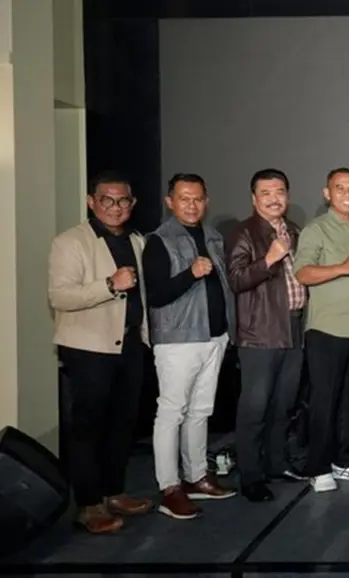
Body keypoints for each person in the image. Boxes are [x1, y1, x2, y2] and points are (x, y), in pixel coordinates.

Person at [48, 171, 152, 533]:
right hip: (88, 348)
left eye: (123, 200)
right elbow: (60, 297)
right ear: (91, 202)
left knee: (122, 425)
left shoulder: (136, 240)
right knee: (88, 428)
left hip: (129, 344)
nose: (115, 207)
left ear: (132, 203)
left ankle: (114, 492)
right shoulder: (70, 242)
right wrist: (109, 284)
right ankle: (88, 505)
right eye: (107, 199)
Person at [143, 173, 237, 520]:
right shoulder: (159, 241)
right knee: (172, 412)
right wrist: (190, 273)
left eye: (197, 198)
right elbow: (155, 295)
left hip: (214, 336)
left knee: (200, 411)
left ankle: (197, 476)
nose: (192, 205)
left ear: (206, 201)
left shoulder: (213, 237)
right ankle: (170, 488)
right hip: (178, 340)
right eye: (184, 198)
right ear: (170, 202)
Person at [293, 168, 349, 492]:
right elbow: (302, 273)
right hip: (327, 329)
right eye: (340, 188)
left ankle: (346, 462)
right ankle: (318, 467)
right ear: (327, 194)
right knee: (324, 402)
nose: (347, 194)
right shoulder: (316, 229)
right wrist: (341, 268)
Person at [226, 169, 307, 502]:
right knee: (255, 408)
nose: (274, 199)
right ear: (254, 198)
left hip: (294, 327)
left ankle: (277, 464)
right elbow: (236, 279)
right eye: (266, 193)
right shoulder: (243, 232)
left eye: (280, 192)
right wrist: (269, 258)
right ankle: (251, 476)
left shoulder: (295, 231)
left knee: (283, 404)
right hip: (260, 331)